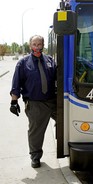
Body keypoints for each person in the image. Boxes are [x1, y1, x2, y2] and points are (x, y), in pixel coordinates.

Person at [9, 35, 57, 168]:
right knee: (36, 132)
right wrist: (14, 102)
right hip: (36, 104)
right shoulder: (23, 63)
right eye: (34, 44)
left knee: (67, 120)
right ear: (30, 46)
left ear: (43, 45)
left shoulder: (50, 60)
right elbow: (16, 84)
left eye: (39, 44)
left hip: (53, 101)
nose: (37, 47)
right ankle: (35, 157)